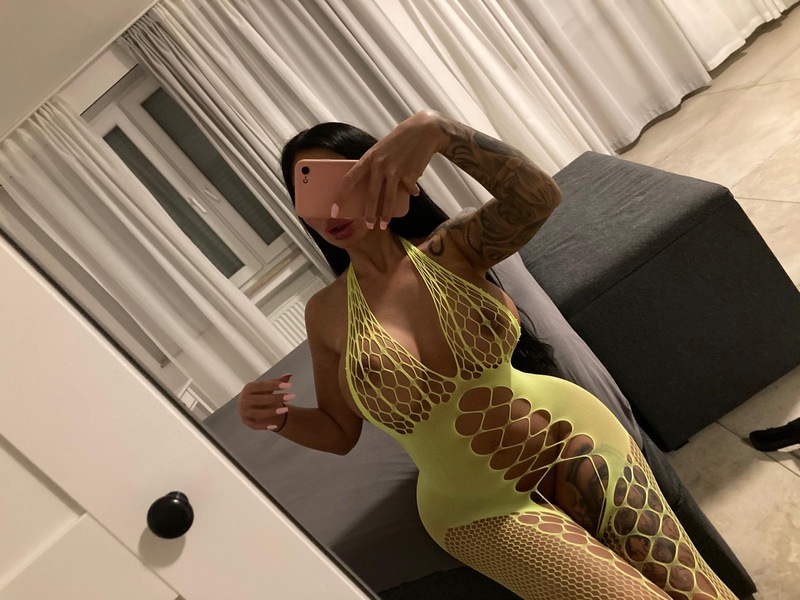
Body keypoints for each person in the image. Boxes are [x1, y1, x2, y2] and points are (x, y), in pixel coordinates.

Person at [241, 110, 737, 599]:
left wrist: (437, 132)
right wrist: (277, 418)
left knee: (697, 591)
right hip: (476, 511)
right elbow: (339, 431)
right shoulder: (325, 313)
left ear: (384, 172)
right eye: (309, 188)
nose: (331, 209)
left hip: (574, 436)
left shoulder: (454, 247)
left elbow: (538, 196)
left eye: (344, 182)